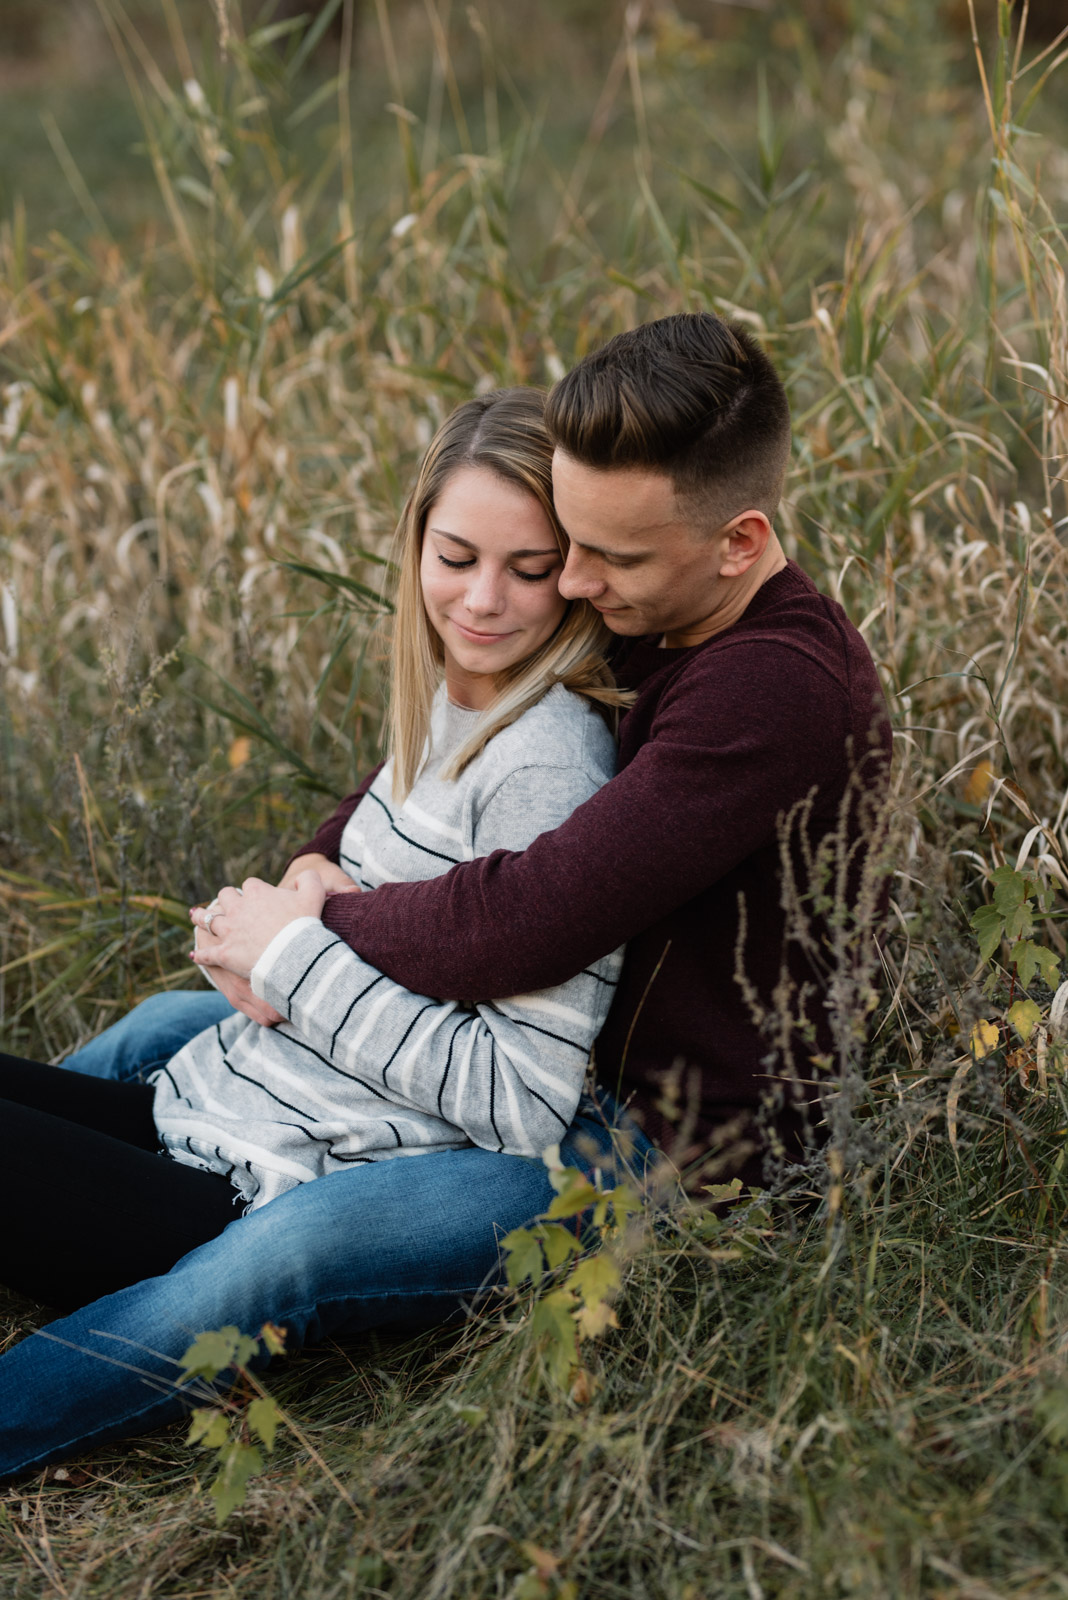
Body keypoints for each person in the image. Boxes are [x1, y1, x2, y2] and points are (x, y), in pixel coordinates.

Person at [0, 312, 890, 1479]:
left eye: (594, 559)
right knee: (175, 1027)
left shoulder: (767, 691)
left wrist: (308, 932)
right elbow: (447, 763)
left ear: (740, 541)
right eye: (561, 542)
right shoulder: (644, 608)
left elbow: (526, 913)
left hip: (654, 1147)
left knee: (287, 1251)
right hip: (527, 1062)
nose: (565, 582)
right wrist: (320, 864)